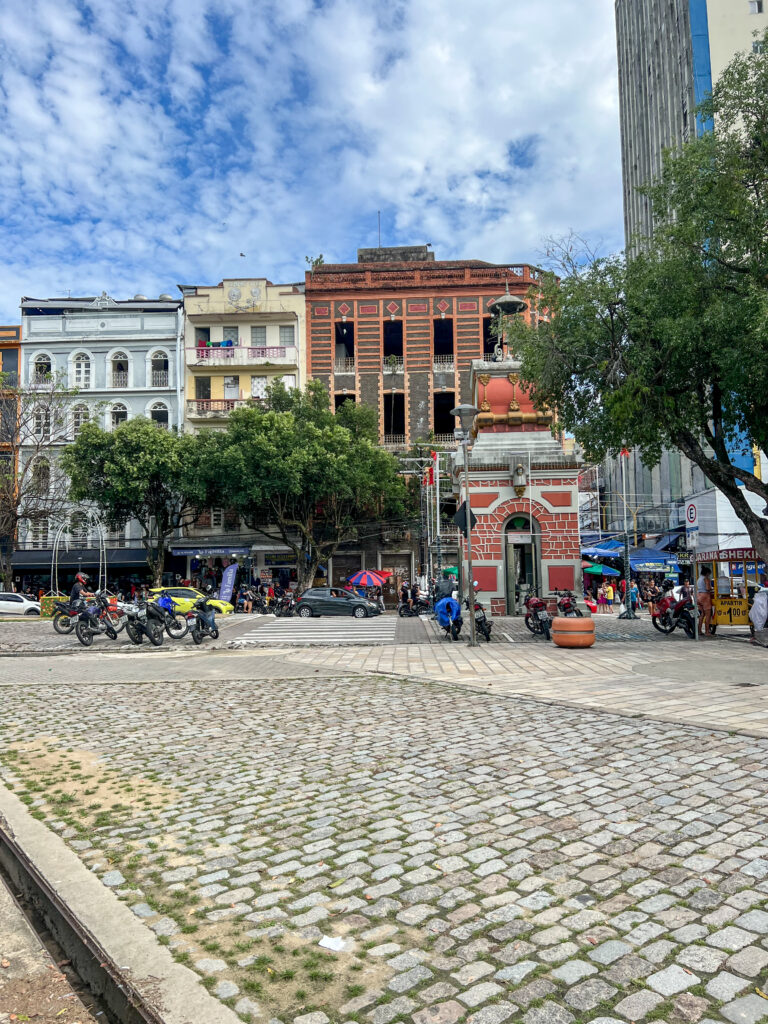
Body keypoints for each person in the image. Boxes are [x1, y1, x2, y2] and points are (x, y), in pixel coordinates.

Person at [697, 565, 714, 636]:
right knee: (708, 615)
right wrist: (712, 589)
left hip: (698, 596)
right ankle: (707, 631)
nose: (709, 575)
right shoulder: (706, 579)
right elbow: (707, 588)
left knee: (701, 615)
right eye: (709, 574)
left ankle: (699, 630)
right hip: (705, 596)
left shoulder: (699, 579)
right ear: (707, 573)